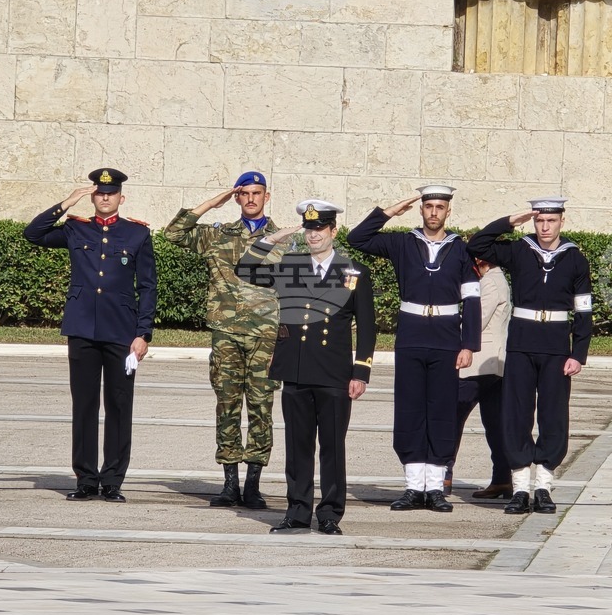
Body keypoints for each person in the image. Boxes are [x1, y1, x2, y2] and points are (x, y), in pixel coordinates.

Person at [236, 200, 376, 535]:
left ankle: (329, 514)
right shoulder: (292, 265)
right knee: (298, 447)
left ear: (333, 231)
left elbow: (367, 327)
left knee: (332, 447)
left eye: (320, 229)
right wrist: (274, 238)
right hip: (296, 370)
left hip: (334, 373)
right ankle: (297, 511)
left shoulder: (353, 271)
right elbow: (245, 269)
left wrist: (361, 372)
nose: (314, 235)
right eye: (309, 229)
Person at [23, 168, 157, 503]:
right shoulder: (75, 228)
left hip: (121, 332)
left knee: (119, 406)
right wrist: (66, 203)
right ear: (93, 196)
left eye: (111, 194)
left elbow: (148, 287)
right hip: (82, 328)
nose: (105, 198)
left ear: (121, 198)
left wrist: (143, 334)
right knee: (84, 406)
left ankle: (112, 481)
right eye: (100, 193)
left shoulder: (137, 234)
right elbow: (33, 234)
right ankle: (85, 479)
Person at [347, 185, 481, 513]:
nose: (434, 212)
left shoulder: (461, 249)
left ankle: (434, 488)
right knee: (409, 410)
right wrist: (390, 211)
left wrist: (469, 344)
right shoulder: (403, 243)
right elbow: (357, 238)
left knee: (441, 411)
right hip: (411, 337)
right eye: (428, 206)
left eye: (439, 207)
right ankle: (412, 486)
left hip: (446, 340)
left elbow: (472, 299)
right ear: (421, 209)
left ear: (448, 211)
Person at [467, 197, 592, 515]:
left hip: (556, 347)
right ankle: (521, 488)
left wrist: (578, 353)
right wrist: (511, 221)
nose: (545, 227)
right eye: (539, 221)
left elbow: (584, 310)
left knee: (554, 416)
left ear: (562, 221)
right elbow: (477, 244)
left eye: (551, 220)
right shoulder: (519, 250)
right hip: (521, 345)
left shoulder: (575, 259)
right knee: (517, 415)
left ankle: (543, 487)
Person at [163, 171, 280, 509]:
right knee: (227, 407)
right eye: (244, 193)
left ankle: (253, 485)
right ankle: (230, 484)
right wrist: (214, 201)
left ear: (266, 197)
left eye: (257, 193)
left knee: (261, 409)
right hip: (227, 336)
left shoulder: (284, 240)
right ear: (237, 197)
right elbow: (174, 232)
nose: (251, 199)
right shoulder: (217, 236)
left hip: (265, 338)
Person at [445, 258, 512, 500]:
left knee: (451, 417)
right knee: (495, 424)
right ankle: (502, 478)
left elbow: (476, 321)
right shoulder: (496, 279)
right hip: (494, 365)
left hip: (478, 364)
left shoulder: (490, 282)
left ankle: (443, 475)